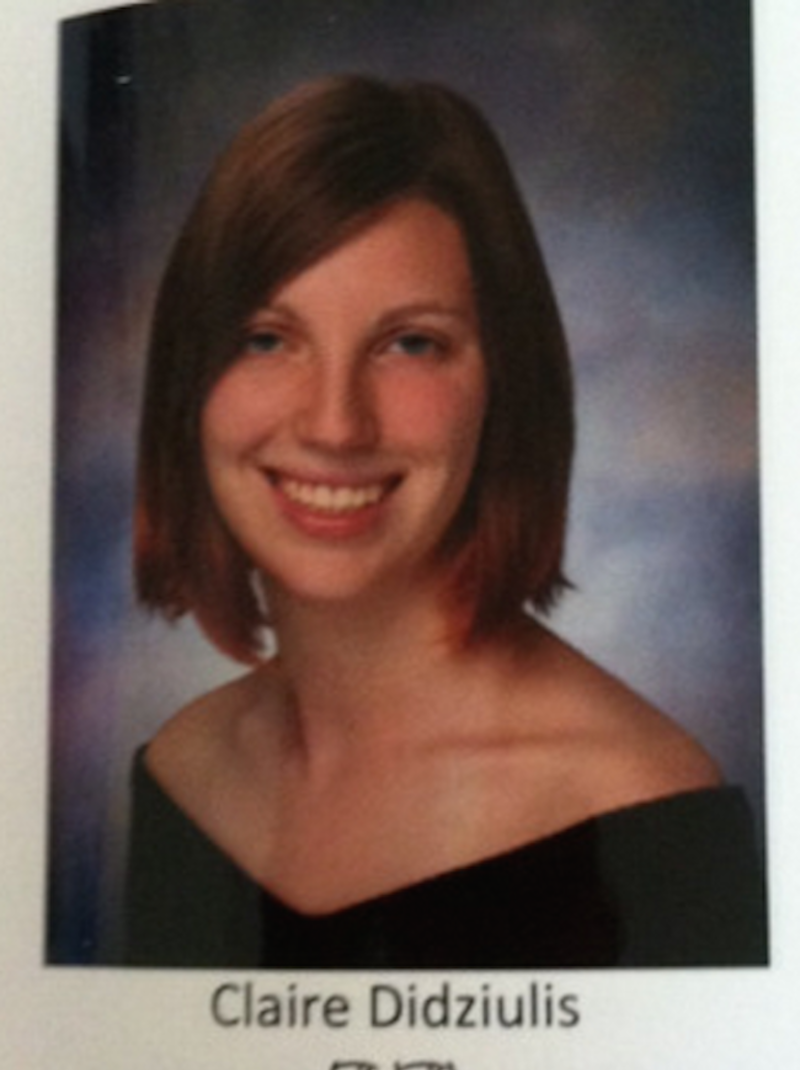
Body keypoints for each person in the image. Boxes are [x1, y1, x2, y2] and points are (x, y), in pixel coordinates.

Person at [125, 74, 766, 967]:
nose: (335, 425)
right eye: (267, 338)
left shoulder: (647, 812)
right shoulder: (182, 770)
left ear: (505, 380)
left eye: (411, 344)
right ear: (189, 382)